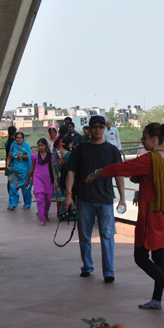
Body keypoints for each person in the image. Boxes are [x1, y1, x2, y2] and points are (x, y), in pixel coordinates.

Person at [86, 122, 164, 312]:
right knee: (159, 257)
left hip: (151, 217)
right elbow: (157, 184)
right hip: (163, 213)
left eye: (144, 137)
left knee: (140, 257)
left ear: (154, 140)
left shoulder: (150, 160)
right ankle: (156, 299)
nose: (142, 141)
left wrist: (98, 172)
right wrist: (140, 193)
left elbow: (122, 167)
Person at [65, 115, 126, 282]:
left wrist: (122, 198)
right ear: (89, 129)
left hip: (105, 200)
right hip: (84, 199)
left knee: (107, 236)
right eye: (94, 126)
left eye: (100, 126)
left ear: (104, 129)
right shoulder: (80, 149)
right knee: (84, 236)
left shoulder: (112, 150)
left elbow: (119, 174)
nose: (97, 129)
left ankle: (109, 271)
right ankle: (87, 266)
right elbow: (71, 172)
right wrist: (68, 195)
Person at [29, 139, 56, 226]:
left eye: (42, 145)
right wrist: (28, 179)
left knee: (48, 199)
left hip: (48, 179)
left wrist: (55, 179)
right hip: (37, 178)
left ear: (46, 146)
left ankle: (45, 212)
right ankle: (42, 218)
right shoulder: (35, 156)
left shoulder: (50, 156)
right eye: (39, 145)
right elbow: (32, 169)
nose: (40, 147)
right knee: (39, 198)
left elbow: (52, 169)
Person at [7, 132, 33, 210]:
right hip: (15, 171)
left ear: (23, 138)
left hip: (25, 172)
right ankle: (12, 204)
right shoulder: (13, 146)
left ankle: (27, 204)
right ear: (15, 138)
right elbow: (9, 157)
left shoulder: (26, 146)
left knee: (26, 189)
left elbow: (32, 156)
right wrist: (7, 166)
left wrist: (24, 156)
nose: (19, 139)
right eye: (17, 137)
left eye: (20, 137)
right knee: (12, 187)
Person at [4, 125, 17, 196]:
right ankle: (14, 197)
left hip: (8, 163)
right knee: (14, 181)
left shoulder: (7, 142)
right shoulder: (15, 142)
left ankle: (11, 196)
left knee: (9, 181)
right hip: (13, 163)